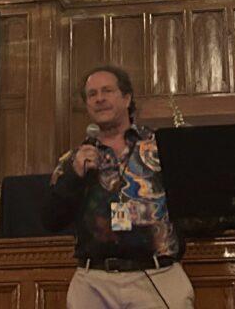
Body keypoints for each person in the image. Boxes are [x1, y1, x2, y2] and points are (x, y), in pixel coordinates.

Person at [42, 65, 195, 309]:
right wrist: (74, 176)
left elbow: (192, 204)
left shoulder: (160, 148)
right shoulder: (74, 159)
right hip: (93, 282)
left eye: (107, 91)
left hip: (157, 276)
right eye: (92, 94)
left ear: (127, 98)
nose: (99, 99)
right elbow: (50, 220)